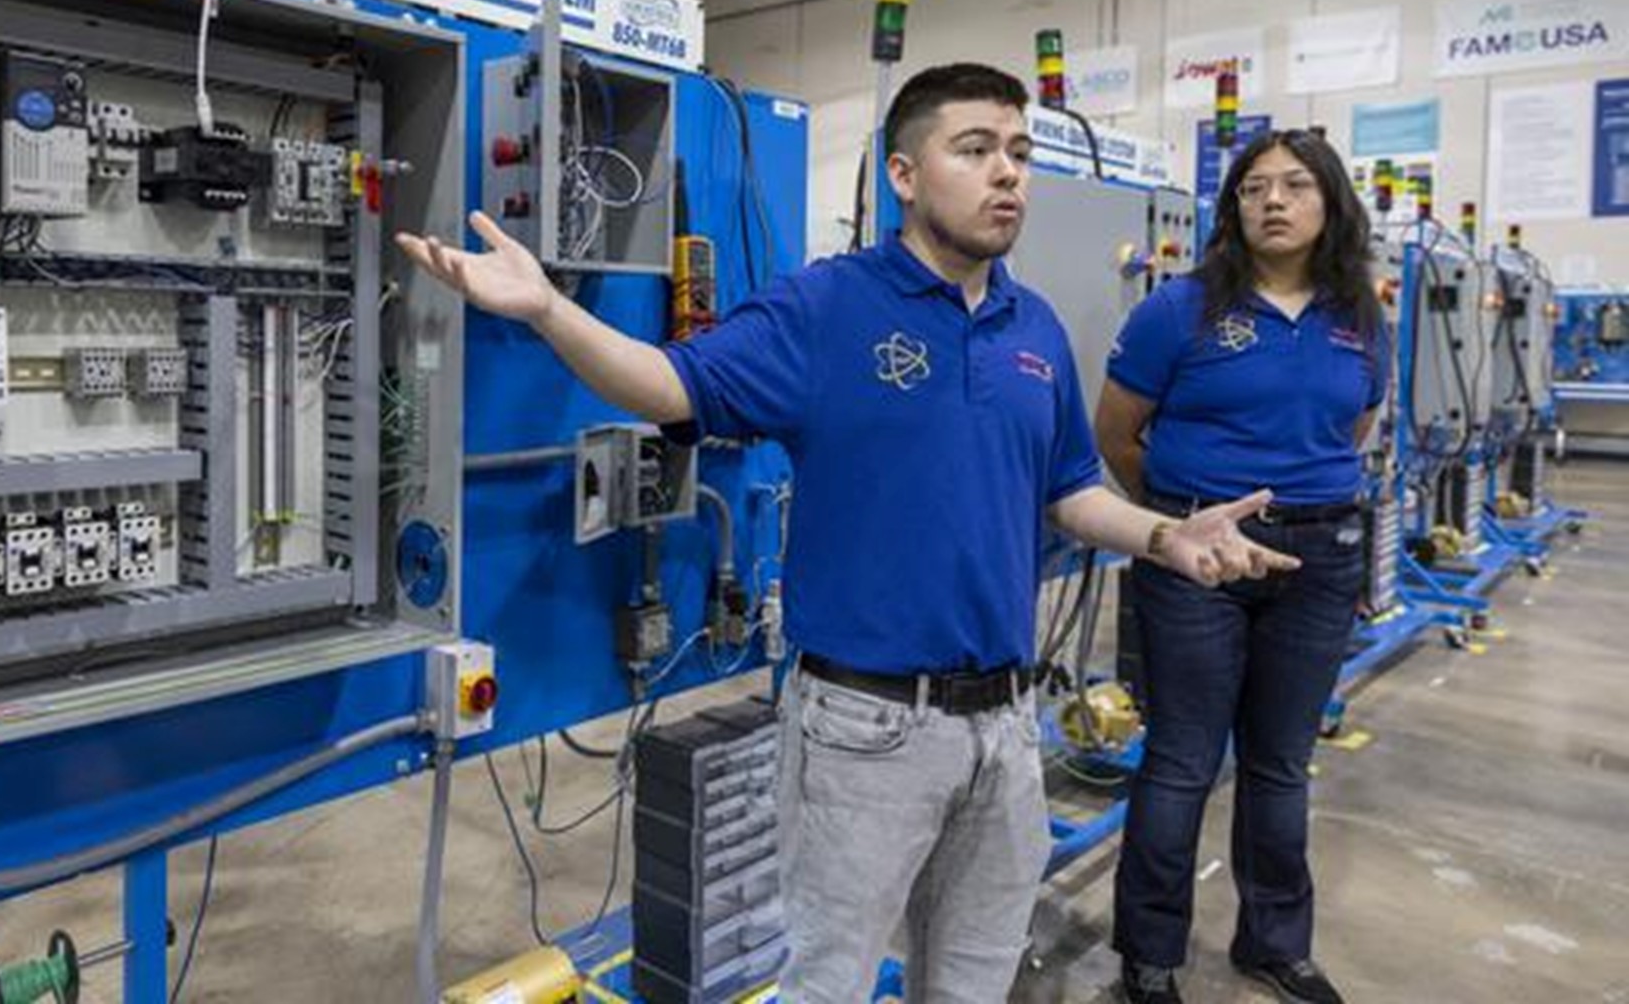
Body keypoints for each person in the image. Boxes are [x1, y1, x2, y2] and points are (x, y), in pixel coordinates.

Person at [399, 63, 1297, 1004]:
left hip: (1005, 725)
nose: (1007, 174)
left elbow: (1069, 489)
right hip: (865, 732)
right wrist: (548, 308)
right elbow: (668, 384)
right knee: (828, 983)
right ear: (903, 175)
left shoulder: (1031, 327)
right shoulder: (826, 307)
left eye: (1019, 152)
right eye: (975, 150)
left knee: (973, 985)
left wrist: (1164, 536)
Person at [1096, 129, 1386, 1004]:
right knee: (1182, 758)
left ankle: (1274, 944)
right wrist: (1180, 521)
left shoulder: (1359, 316)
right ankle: (1149, 956)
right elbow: (1116, 432)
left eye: (1294, 185)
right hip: (1201, 557)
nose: (1272, 201)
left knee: (1280, 762)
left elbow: (1354, 429)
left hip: (1320, 555)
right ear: (1231, 210)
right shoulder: (1177, 309)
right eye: (1253, 188)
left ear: (1329, 203)